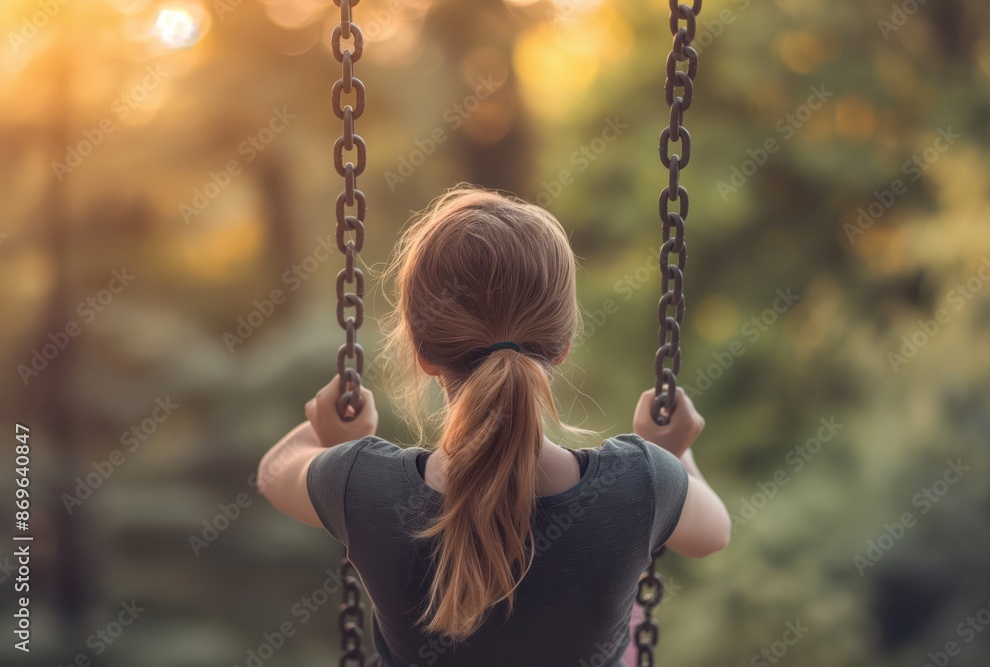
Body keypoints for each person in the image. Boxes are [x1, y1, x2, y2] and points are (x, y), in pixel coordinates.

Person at [257, 186, 731, 667]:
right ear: (562, 346)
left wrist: (336, 442)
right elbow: (713, 534)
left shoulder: (361, 484)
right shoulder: (642, 483)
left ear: (422, 354)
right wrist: (674, 453)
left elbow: (275, 473)